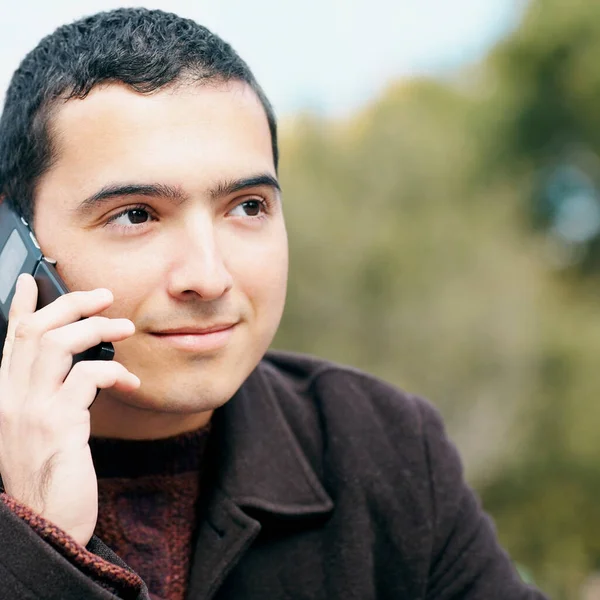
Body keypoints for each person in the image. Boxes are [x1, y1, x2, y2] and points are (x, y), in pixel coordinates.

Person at [0, 8, 547, 600]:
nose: (208, 278)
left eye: (247, 207)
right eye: (137, 215)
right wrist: (38, 546)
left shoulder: (381, 447)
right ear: (13, 234)